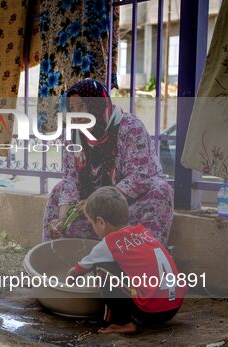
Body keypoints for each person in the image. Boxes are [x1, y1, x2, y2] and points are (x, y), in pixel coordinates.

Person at [43, 79, 173, 245]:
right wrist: (62, 220)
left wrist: (97, 204)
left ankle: (141, 255)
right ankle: (61, 254)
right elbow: (70, 180)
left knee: (160, 190)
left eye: (82, 106)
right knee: (58, 191)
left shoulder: (129, 127)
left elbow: (140, 177)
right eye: (72, 109)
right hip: (92, 204)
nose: (76, 115)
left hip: (128, 203)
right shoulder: (72, 135)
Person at [67, 186, 185, 334]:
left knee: (101, 269)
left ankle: (120, 322)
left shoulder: (108, 243)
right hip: (173, 306)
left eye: (92, 223)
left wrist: (68, 280)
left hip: (152, 312)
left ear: (101, 222)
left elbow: (76, 272)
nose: (93, 228)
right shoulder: (143, 232)